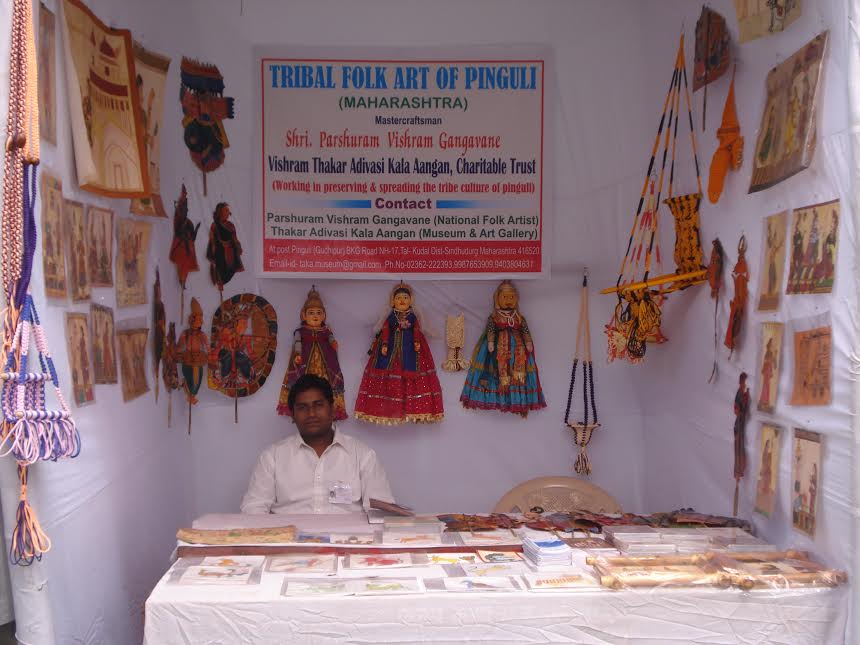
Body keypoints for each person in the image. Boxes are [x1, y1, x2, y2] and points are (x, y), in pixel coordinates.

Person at [241, 374, 394, 514]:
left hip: (346, 541)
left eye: (318, 405)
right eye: (302, 408)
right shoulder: (273, 457)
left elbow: (380, 512)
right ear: (293, 415)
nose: (311, 414)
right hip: (289, 541)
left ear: (332, 409)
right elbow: (254, 508)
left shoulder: (362, 456)